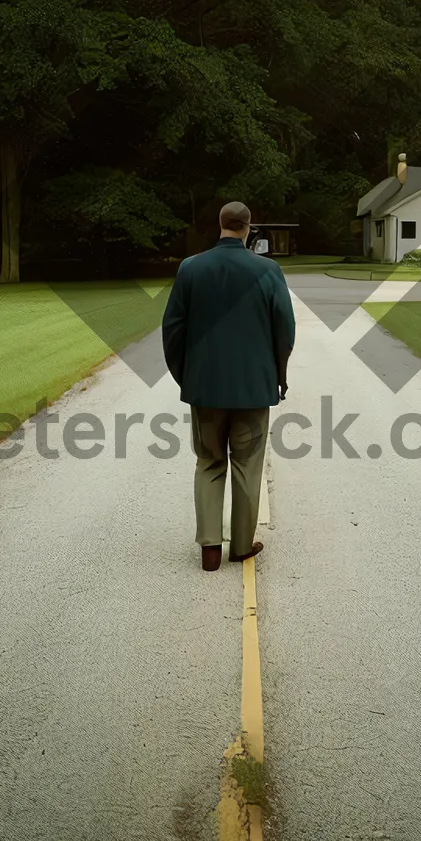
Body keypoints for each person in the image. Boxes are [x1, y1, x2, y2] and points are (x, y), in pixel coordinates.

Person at [161, 201, 296, 571]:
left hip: (205, 389)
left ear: (219, 225)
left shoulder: (191, 268)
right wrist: (279, 376)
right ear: (248, 229)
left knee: (209, 462)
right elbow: (285, 331)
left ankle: (208, 550)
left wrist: (185, 376)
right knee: (248, 466)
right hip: (254, 389)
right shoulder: (268, 270)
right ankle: (240, 546)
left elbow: (172, 330)